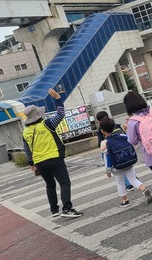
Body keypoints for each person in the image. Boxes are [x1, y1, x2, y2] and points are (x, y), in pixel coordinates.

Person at [22, 88, 83, 218]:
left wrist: (31, 164)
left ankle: (54, 210)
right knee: (64, 183)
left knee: (50, 185)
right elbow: (60, 114)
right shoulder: (47, 124)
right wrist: (57, 99)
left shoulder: (25, 132)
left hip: (39, 162)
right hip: (54, 158)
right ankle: (67, 208)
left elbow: (27, 149)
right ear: (39, 115)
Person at [99, 117, 152, 207]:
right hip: (129, 162)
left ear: (102, 131)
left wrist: (107, 171)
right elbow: (132, 144)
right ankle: (143, 189)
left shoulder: (105, 143)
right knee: (133, 179)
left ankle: (125, 201)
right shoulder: (123, 136)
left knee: (120, 183)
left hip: (117, 167)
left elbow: (107, 159)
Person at [95, 111, 134, 192]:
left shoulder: (101, 130)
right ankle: (133, 180)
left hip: (111, 151)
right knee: (127, 166)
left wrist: (107, 170)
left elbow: (100, 143)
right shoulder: (116, 125)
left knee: (119, 169)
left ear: (99, 121)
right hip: (123, 149)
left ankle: (128, 185)